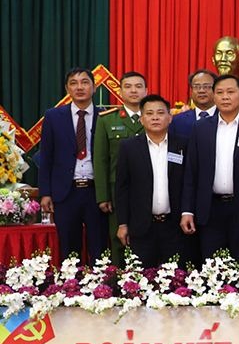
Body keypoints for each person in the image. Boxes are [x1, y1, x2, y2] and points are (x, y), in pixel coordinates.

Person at [180, 74, 239, 260]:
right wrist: (187, 210)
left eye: (230, 92)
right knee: (211, 266)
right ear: (214, 96)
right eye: (220, 92)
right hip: (210, 209)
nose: (225, 97)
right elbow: (191, 172)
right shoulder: (201, 128)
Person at [36, 68, 107, 260]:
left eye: (85, 82)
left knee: (100, 249)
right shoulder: (53, 116)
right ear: (67, 89)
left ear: (94, 87)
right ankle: (70, 280)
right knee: (69, 249)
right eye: (74, 83)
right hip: (65, 193)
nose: (79, 87)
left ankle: (101, 280)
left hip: (97, 193)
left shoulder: (105, 116)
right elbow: (46, 156)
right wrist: (45, 193)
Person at [114, 94, 188, 267]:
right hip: (141, 227)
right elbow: (122, 188)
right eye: (149, 113)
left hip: (174, 226)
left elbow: (189, 184)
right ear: (141, 119)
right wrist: (123, 223)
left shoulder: (183, 145)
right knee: (142, 277)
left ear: (170, 118)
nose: (155, 117)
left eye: (160, 113)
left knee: (176, 277)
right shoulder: (128, 147)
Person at [94, 71, 147, 262]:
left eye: (138, 86)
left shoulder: (155, 116)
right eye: (128, 86)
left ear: (146, 91)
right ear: (120, 91)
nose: (133, 91)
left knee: (146, 239)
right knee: (119, 240)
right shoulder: (107, 119)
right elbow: (101, 160)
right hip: (118, 192)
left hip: (149, 191)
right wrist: (103, 196)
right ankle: (118, 278)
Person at [170, 70, 217, 139]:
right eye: (196, 87)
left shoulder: (225, 118)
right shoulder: (177, 121)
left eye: (206, 86)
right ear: (191, 91)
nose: (201, 91)